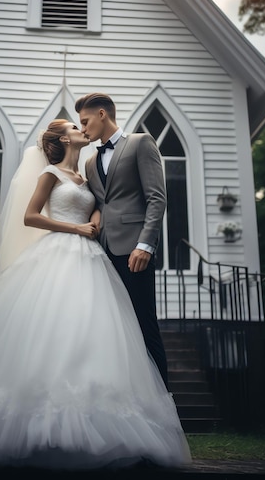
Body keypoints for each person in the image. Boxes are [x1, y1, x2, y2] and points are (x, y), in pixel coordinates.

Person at [0, 120, 190, 473]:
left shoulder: (87, 176)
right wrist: (76, 228)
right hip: (57, 254)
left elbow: (99, 204)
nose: (81, 128)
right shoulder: (50, 175)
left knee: (87, 332)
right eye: (75, 125)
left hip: (90, 260)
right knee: (47, 327)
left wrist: (98, 217)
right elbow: (30, 216)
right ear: (61, 139)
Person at [75, 93, 169, 387]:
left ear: (102, 114)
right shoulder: (90, 162)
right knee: (113, 330)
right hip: (102, 253)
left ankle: (164, 404)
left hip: (134, 250)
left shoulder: (140, 143)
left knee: (143, 324)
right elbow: (100, 204)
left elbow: (156, 197)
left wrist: (145, 245)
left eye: (86, 121)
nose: (83, 129)